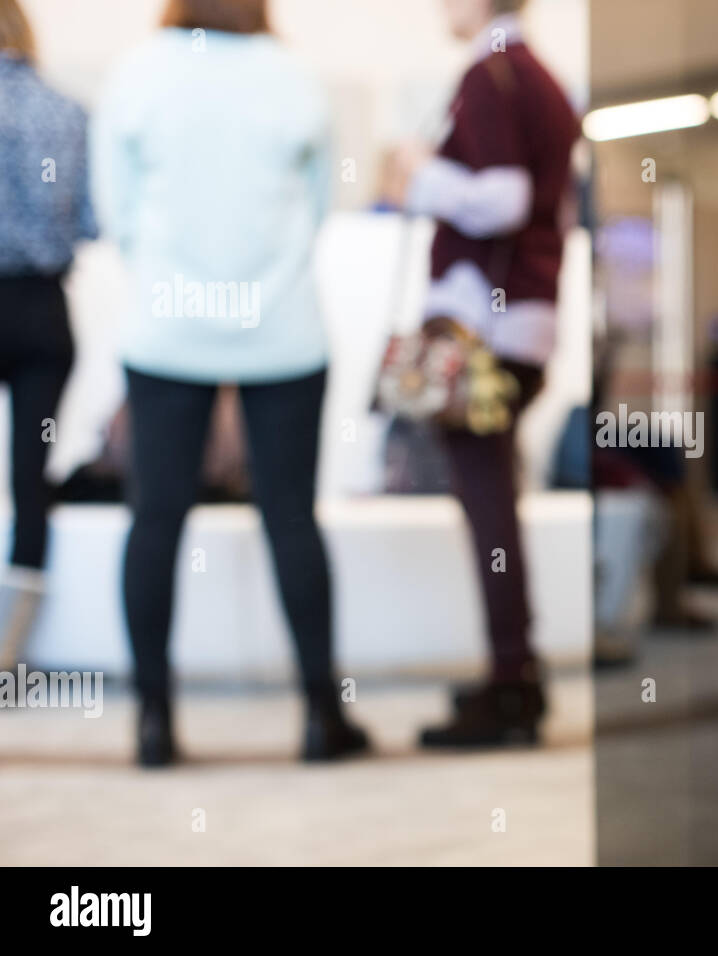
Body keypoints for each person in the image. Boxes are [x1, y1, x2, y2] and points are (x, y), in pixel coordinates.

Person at [92, 0, 367, 765]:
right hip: (282, 328)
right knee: (290, 517)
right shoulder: (296, 78)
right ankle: (321, 715)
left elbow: (117, 213)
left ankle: (153, 722)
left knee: (156, 518)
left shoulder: (136, 74)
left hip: (165, 327)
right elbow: (317, 209)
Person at [384, 0, 578, 747]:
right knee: (492, 493)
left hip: (483, 328)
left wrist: (419, 175)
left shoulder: (492, 74)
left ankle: (511, 684)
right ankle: (512, 675)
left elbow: (505, 198)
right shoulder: (539, 80)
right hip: (519, 320)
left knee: (488, 499)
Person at [0, 0, 97, 672]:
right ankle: (7, 657)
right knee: (30, 481)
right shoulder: (68, 111)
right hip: (41, 311)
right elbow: (90, 222)